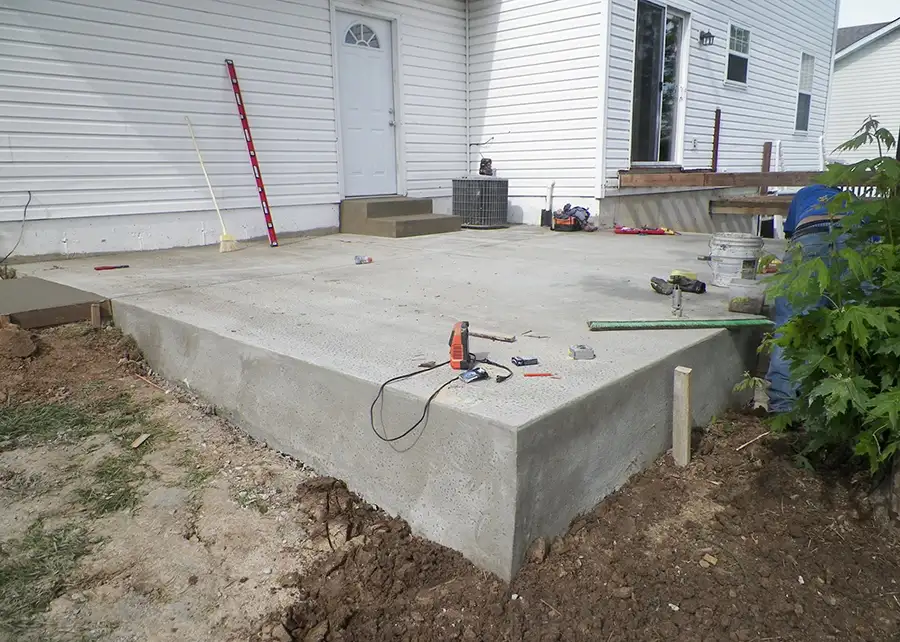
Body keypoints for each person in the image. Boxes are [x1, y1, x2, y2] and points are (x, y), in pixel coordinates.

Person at [766, 184, 848, 414]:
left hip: (810, 239)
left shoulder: (805, 193)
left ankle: (783, 408)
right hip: (853, 243)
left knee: (791, 323)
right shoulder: (850, 199)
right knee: (849, 320)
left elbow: (791, 235)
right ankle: (841, 407)